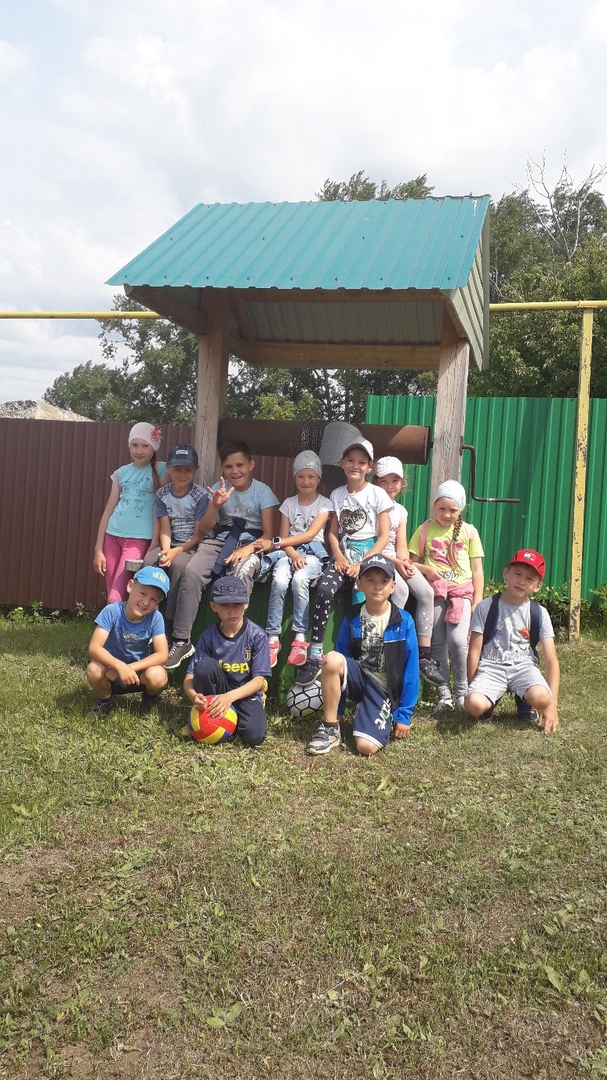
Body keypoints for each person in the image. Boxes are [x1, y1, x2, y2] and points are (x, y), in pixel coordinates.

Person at [164, 440, 279, 670]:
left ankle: (236, 641)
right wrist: (215, 505)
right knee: (192, 572)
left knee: (239, 576)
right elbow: (204, 529)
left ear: (251, 465)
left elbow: (268, 534)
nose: (235, 471)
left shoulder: (263, 492)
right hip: (220, 539)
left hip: (252, 542)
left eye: (240, 465)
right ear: (222, 469)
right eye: (229, 466)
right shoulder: (218, 488)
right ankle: (181, 639)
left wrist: (247, 549)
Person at [295, 437, 392, 685]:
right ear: (342, 463)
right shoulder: (337, 494)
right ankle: (315, 654)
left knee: (363, 601)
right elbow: (332, 533)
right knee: (325, 589)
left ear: (369, 467)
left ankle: (364, 661)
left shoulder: (377, 494)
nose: (355, 466)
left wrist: (363, 564)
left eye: (361, 462)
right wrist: (338, 556)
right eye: (350, 460)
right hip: (343, 554)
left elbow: (383, 536)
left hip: (368, 556)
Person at [306, 553, 419, 756]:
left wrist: (403, 716)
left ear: (393, 587)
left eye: (384, 581)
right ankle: (330, 728)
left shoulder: (404, 621)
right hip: (359, 680)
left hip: (382, 690)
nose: (377, 586)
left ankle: (372, 710)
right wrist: (338, 711)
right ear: (359, 584)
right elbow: (340, 662)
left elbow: (411, 670)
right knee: (331, 659)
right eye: (370, 580)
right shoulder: (352, 617)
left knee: (366, 748)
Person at [143, 443, 232, 644]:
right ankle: (147, 614)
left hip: (191, 544)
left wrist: (176, 552)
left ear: (195, 470)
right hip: (171, 541)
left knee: (178, 566)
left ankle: (169, 620)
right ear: (169, 469)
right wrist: (166, 550)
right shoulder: (162, 494)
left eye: (188, 470)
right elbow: (165, 527)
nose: (182, 474)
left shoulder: (199, 496)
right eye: (177, 469)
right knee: (149, 562)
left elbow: (200, 532)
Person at [464, 549, 560, 733]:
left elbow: (551, 660)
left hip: (524, 667)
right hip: (491, 667)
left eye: (529, 578)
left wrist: (551, 705)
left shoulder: (539, 613)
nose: (521, 581)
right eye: (517, 574)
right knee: (473, 705)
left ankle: (526, 700)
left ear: (538, 585)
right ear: (506, 574)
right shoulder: (486, 606)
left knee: (542, 698)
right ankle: (489, 701)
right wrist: (472, 687)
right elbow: (474, 651)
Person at [409, 480, 484, 712]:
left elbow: (477, 570)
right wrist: (427, 570)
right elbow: (410, 563)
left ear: (461, 510)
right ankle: (444, 695)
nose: (446, 514)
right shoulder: (424, 530)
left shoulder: (469, 532)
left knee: (458, 641)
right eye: (441, 508)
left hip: (461, 594)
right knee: (437, 642)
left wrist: (477, 601)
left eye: (453, 510)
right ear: (433, 506)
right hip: (435, 593)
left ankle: (462, 692)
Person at [253, 450, 332, 668]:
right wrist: (293, 554)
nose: (306, 481)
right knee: (279, 580)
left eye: (311, 476)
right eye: (301, 476)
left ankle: (299, 637)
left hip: (313, 554)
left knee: (299, 579)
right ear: (294, 478)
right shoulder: (288, 504)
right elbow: (285, 538)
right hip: (288, 553)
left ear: (318, 478)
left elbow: (310, 535)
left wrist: (283, 547)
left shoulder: (325, 504)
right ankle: (272, 637)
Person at [373, 456, 445, 688]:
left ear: (402, 483)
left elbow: (402, 546)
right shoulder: (372, 505)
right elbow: (373, 544)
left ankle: (424, 654)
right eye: (383, 481)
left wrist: (407, 563)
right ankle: (390, 643)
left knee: (426, 592)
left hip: (396, 560)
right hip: (378, 558)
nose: (389, 486)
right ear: (375, 482)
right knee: (401, 591)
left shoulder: (400, 511)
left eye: (395, 481)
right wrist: (397, 562)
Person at [182, 575, 271, 747]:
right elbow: (189, 678)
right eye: (225, 605)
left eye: (236, 605)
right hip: (217, 693)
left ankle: (231, 719)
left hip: (245, 693)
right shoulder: (208, 636)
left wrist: (229, 698)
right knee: (204, 666)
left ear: (246, 604)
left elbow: (259, 681)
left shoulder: (257, 635)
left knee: (254, 736)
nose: (231, 611)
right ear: (213, 606)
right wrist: (194, 697)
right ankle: (208, 717)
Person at [93, 422, 166, 602]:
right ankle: (117, 620)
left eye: (145, 446)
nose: (139, 451)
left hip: (138, 540)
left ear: (154, 447)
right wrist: (98, 549)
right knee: (112, 591)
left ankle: (114, 619)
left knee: (116, 595)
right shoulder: (121, 473)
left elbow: (182, 472)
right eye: (135, 445)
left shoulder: (162, 470)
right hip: (112, 536)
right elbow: (108, 512)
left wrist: (154, 542)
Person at [86, 565, 170, 717]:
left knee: (158, 675)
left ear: (159, 602)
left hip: (138, 675)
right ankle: (106, 699)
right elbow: (94, 648)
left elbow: (162, 655)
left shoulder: (155, 618)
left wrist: (128, 668)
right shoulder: (112, 611)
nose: (146, 602)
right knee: (94, 669)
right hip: (111, 673)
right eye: (143, 593)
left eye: (153, 599)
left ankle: (149, 699)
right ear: (130, 586)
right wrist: (118, 666)